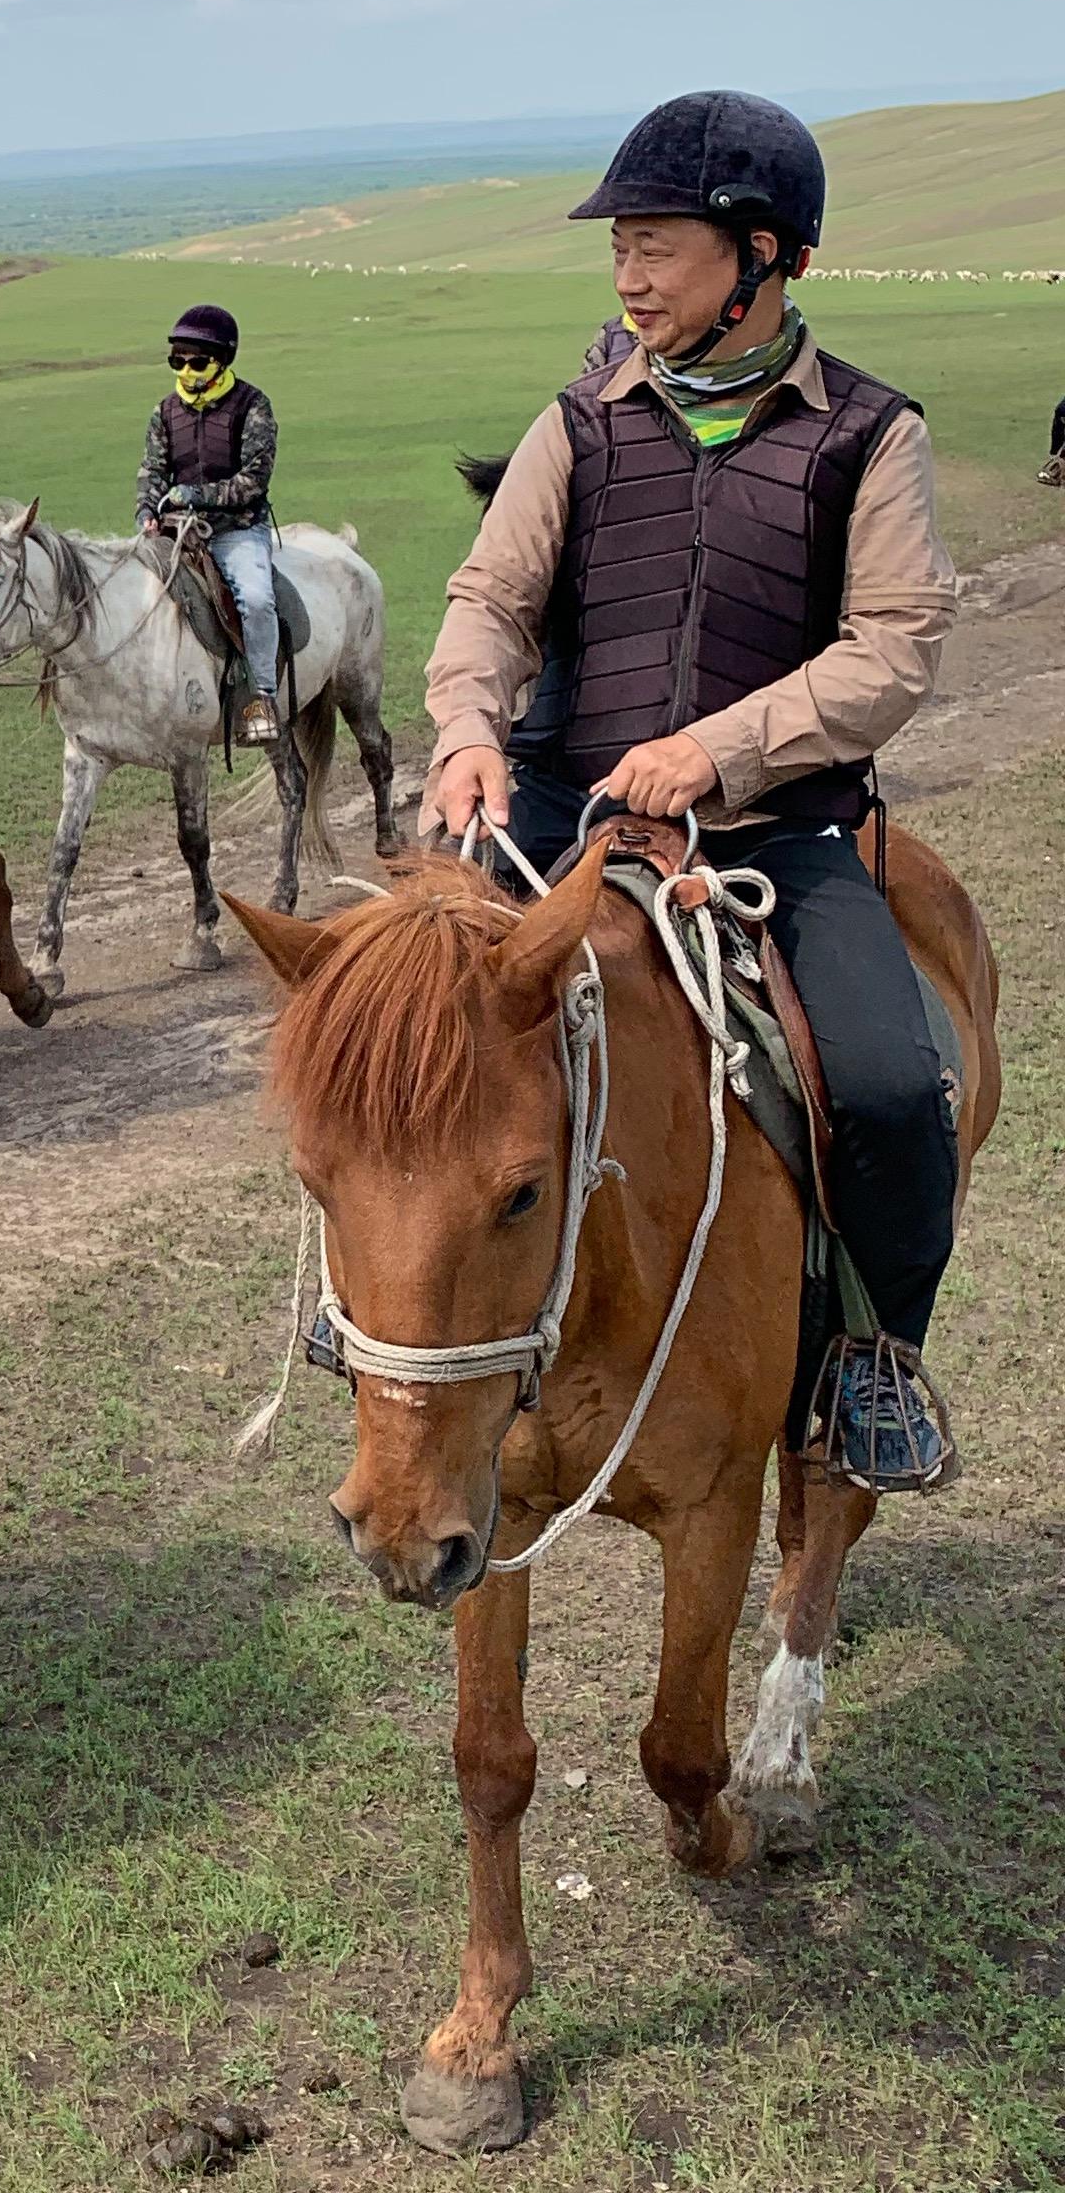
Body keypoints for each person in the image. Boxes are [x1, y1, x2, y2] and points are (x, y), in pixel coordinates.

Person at [422, 89, 965, 1488]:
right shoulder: (580, 423)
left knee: (899, 1092)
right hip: (561, 820)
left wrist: (720, 749)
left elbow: (893, 650)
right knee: (399, 1050)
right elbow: (493, 593)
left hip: (776, 831)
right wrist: (468, 729)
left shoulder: (868, 435)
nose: (628, 274)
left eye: (657, 244)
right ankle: (389, 1325)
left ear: (762, 257)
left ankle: (867, 1366)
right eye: (621, 245)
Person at [138, 303, 282, 747]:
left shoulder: (253, 406)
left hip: (237, 529)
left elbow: (253, 481)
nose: (186, 370)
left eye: (197, 361)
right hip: (175, 529)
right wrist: (145, 511)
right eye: (177, 361)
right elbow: (152, 470)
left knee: (256, 600)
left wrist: (197, 495)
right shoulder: (165, 412)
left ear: (222, 361)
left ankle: (262, 697)